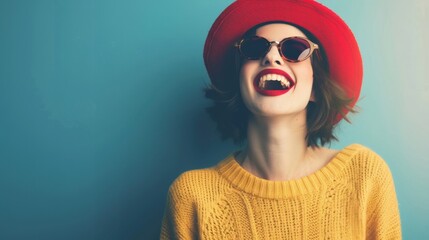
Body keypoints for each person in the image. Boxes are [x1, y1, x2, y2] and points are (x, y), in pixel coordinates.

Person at [160, 0, 402, 239]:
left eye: (295, 49)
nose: (272, 57)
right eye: (254, 48)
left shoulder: (365, 177)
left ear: (317, 86)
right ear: (239, 82)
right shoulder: (191, 197)